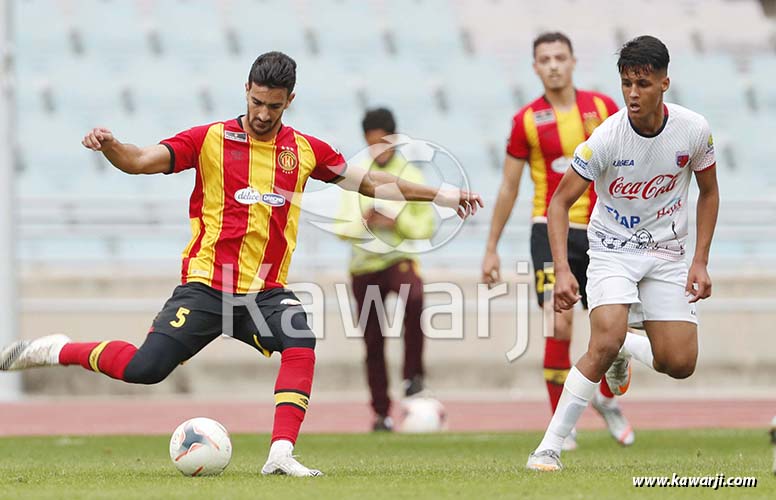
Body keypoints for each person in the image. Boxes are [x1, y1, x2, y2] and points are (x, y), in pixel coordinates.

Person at [0, 51, 482, 477]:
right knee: (145, 368)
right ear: (246, 90)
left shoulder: (306, 150)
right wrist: (111, 146)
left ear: (290, 100)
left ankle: (281, 454)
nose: (263, 113)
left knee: (300, 338)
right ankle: (57, 349)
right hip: (206, 288)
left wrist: (442, 194)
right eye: (256, 102)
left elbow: (373, 183)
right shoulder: (208, 139)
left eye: (274, 105)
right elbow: (141, 160)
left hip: (264, 294)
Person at [527, 35, 719, 471]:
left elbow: (709, 193)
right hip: (612, 248)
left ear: (664, 83)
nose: (633, 93)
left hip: (668, 253)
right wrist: (562, 269)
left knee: (680, 363)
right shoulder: (605, 139)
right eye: (627, 83)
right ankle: (550, 447)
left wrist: (700, 260)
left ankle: (626, 346)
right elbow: (558, 204)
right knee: (602, 341)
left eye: (643, 84)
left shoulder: (694, 130)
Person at [481, 32, 634, 450]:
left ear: (573, 61)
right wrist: (491, 247)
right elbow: (509, 187)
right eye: (545, 59)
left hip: (604, 231)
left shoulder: (603, 107)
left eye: (559, 57)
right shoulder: (526, 121)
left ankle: (606, 400)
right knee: (558, 322)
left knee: (612, 329)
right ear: (535, 67)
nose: (553, 65)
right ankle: (561, 427)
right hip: (549, 232)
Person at [335, 108, 434, 431]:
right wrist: (365, 220)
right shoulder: (354, 175)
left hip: (397, 259)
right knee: (373, 341)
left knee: (415, 298)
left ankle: (412, 378)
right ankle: (381, 413)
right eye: (372, 143)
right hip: (364, 267)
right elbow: (341, 227)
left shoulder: (411, 175)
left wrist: (397, 221)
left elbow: (426, 227)